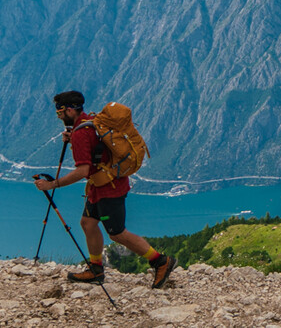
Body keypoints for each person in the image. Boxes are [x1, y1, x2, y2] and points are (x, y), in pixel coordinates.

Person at [34, 90, 176, 288]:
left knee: (117, 233)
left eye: (59, 113)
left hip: (109, 190)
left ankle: (160, 261)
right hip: (98, 187)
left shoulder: (81, 133)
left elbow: (82, 170)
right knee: (87, 223)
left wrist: (53, 184)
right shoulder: (88, 122)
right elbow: (96, 149)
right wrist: (72, 138)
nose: (58, 117)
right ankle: (96, 269)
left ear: (69, 111)